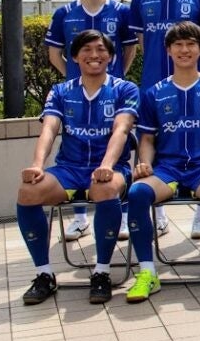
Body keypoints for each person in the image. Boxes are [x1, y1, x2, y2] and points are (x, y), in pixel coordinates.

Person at [17, 30, 139, 305]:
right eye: (86, 50)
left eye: (101, 49)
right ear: (74, 57)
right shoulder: (61, 91)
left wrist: (106, 165)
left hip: (112, 168)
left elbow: (121, 130)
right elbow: (49, 129)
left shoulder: (125, 89)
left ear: (111, 56)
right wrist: (37, 166)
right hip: (69, 168)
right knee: (28, 191)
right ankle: (44, 274)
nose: (94, 55)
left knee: (105, 187)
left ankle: (102, 273)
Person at [125, 22, 200, 303]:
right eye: (178, 45)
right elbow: (147, 138)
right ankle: (147, 273)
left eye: (190, 44)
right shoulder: (154, 93)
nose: (184, 50)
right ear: (168, 50)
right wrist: (144, 163)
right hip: (167, 169)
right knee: (137, 192)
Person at [44, 0, 137, 242]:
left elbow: (130, 49)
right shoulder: (64, 13)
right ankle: (80, 217)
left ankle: (121, 215)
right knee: (75, 149)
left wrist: (116, 76)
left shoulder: (120, 11)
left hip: (111, 95)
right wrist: (74, 77)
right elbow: (54, 53)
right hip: (78, 97)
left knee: (117, 150)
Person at [130, 0, 200, 236]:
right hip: (153, 85)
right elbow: (141, 43)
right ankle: (158, 210)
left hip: (194, 87)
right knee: (151, 140)